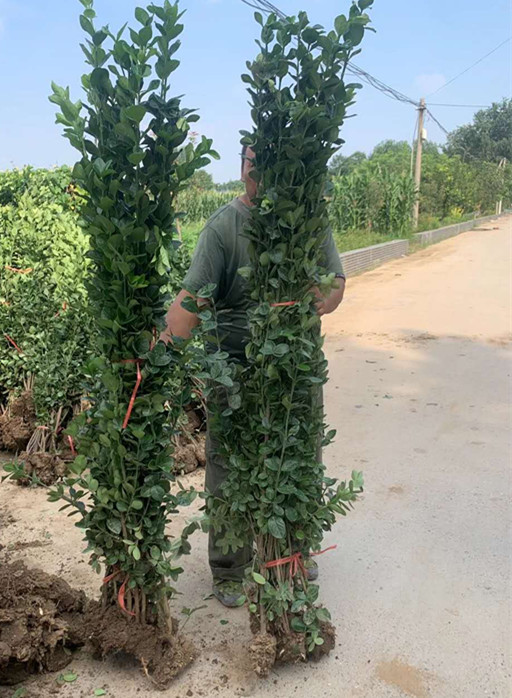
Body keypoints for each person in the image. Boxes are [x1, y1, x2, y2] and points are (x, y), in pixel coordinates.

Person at [162, 145, 346, 607]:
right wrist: (160, 345)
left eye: (269, 160)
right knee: (228, 467)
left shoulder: (307, 222)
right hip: (236, 374)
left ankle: (291, 552)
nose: (259, 170)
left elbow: (336, 282)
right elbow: (188, 308)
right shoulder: (223, 228)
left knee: (298, 454)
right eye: (251, 161)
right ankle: (230, 568)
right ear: (242, 168)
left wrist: (318, 297)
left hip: (294, 372)